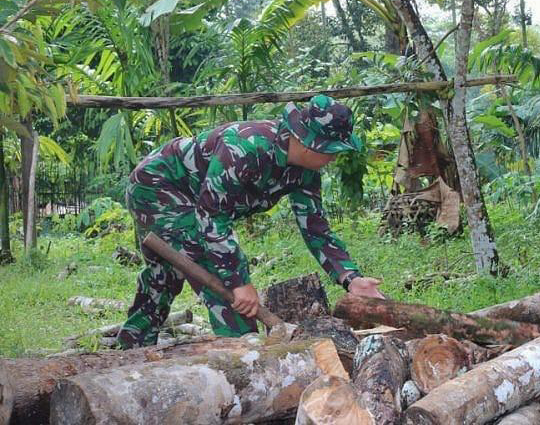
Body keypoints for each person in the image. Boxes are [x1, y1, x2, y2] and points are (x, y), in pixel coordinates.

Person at [117, 95, 385, 348]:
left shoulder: (305, 171)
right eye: (332, 150)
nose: (334, 157)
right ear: (309, 142)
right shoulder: (245, 149)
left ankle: (133, 346)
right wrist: (238, 282)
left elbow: (316, 228)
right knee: (211, 269)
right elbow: (211, 218)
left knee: (164, 275)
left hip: (197, 203)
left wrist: (350, 278)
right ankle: (245, 354)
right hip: (158, 187)